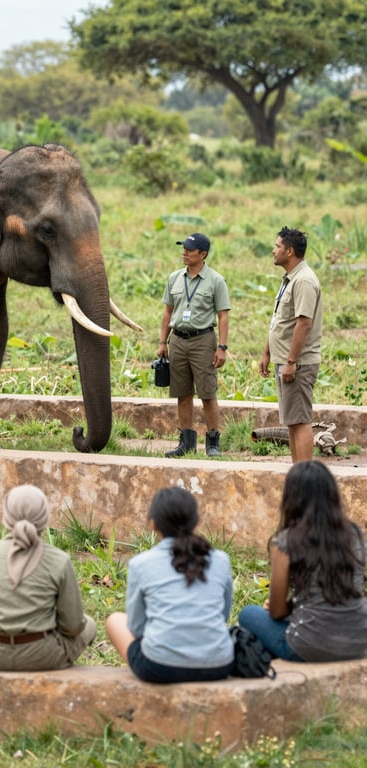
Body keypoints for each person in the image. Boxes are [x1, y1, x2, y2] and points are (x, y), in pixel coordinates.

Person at [238, 461, 367, 662]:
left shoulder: (287, 541)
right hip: (359, 641)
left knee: (248, 614)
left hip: (308, 645)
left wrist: (287, 608)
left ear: (292, 499)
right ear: (332, 496)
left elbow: (277, 611)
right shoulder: (355, 535)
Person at [105, 487, 234, 683]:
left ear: (153, 524)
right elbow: (223, 615)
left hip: (160, 668)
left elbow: (136, 628)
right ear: (196, 521)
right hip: (218, 665)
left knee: (114, 620)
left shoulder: (140, 563)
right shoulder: (221, 560)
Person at [0, 484, 96, 671]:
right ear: (45, 517)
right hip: (43, 655)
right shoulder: (60, 560)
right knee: (89, 624)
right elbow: (72, 625)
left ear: (6, 517)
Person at [158, 233, 230, 458]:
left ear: (203, 254)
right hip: (178, 340)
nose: (185, 253)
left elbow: (223, 316)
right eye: (184, 248)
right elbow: (168, 311)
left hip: (203, 340)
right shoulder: (174, 278)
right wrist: (162, 342)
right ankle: (186, 442)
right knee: (182, 393)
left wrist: (222, 347)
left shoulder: (216, 280)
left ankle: (213, 442)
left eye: (190, 249)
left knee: (207, 393)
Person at [259, 226, 322, 463]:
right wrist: (267, 352)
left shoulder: (304, 280)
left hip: (298, 362)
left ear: (290, 251)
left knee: (300, 420)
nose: (273, 250)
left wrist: (291, 361)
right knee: (293, 421)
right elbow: (280, 320)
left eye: (277, 246)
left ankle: (304, 475)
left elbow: (304, 323)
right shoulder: (290, 279)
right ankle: (298, 472)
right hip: (284, 359)